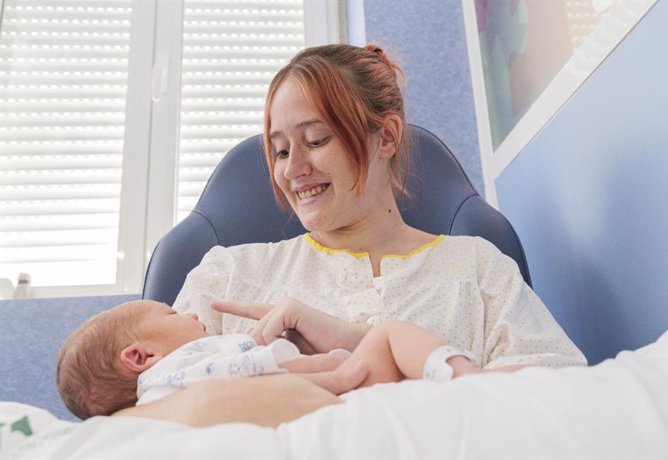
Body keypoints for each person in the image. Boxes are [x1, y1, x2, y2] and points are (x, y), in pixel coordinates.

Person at [121, 43, 586, 427]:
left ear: (385, 137)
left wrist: (362, 341)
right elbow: (143, 418)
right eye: (280, 150)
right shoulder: (226, 276)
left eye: (316, 140)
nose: (293, 169)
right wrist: (263, 385)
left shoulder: (477, 267)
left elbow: (562, 405)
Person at [57, 299, 517, 420]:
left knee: (386, 342)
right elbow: (244, 374)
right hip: (334, 399)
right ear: (140, 355)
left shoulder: (164, 387)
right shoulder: (180, 369)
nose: (191, 312)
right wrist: (313, 366)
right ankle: (464, 377)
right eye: (172, 313)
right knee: (391, 335)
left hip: (338, 396)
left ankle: (464, 380)